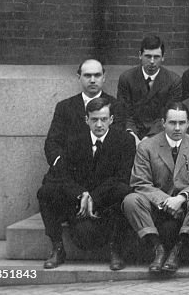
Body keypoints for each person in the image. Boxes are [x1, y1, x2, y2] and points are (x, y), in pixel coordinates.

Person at [38, 96, 135, 270]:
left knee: (124, 192)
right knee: (46, 192)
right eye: (94, 119)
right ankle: (58, 247)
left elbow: (122, 177)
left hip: (106, 202)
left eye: (104, 119)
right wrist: (81, 194)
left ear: (111, 119)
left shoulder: (124, 141)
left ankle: (116, 250)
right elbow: (62, 175)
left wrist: (93, 197)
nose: (99, 125)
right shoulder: (73, 140)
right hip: (78, 203)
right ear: (86, 120)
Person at [122, 102, 189, 274]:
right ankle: (157, 248)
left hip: (184, 206)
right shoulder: (146, 146)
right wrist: (165, 202)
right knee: (131, 200)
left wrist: (181, 198)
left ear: (188, 122)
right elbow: (140, 182)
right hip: (155, 205)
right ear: (163, 123)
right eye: (172, 123)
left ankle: (178, 249)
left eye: (182, 123)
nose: (177, 128)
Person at [45, 59, 109, 169]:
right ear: (79, 77)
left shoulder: (116, 106)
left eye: (97, 75)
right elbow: (53, 141)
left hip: (103, 170)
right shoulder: (64, 107)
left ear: (104, 77)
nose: (92, 80)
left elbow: (119, 142)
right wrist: (60, 163)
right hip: (69, 170)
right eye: (87, 76)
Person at [116, 35, 181, 140]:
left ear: (163, 57)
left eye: (156, 57)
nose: (152, 61)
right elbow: (124, 112)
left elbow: (168, 115)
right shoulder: (127, 78)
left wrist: (149, 138)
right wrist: (132, 135)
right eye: (148, 56)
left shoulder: (173, 81)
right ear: (140, 55)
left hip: (160, 134)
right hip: (131, 134)